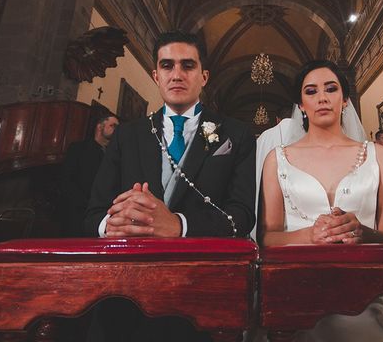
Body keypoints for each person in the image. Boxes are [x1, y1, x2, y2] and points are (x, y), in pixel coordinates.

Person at [85, 32, 256, 342]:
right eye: (167, 65)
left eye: (187, 65)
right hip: (127, 287)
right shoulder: (128, 135)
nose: (177, 74)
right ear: (156, 75)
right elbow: (94, 210)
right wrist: (111, 225)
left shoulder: (235, 134)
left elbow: (242, 214)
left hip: (201, 286)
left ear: (204, 76)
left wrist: (179, 225)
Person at [258, 60, 383, 342]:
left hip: (370, 285)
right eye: (311, 91)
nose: (322, 97)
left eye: (331, 89)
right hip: (300, 285)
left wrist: (363, 233)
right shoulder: (277, 159)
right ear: (301, 105)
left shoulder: (378, 155)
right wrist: (310, 235)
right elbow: (268, 237)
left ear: (345, 100)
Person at [59, 114, 119, 237]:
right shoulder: (78, 148)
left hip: (102, 214)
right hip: (77, 212)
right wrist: (82, 204)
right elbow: (67, 179)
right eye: (113, 125)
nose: (116, 129)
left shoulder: (113, 154)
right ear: (99, 127)